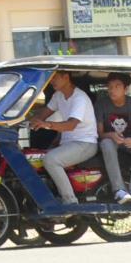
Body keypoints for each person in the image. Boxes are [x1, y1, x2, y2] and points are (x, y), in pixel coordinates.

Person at [29, 70, 99, 205]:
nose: (52, 81)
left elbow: (71, 125)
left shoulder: (80, 98)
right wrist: (24, 120)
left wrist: (47, 124)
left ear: (66, 77)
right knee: (35, 158)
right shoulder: (58, 95)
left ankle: (70, 201)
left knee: (51, 160)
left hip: (85, 143)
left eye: (55, 78)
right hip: (68, 143)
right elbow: (43, 113)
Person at [95, 75, 131, 205]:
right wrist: (111, 135)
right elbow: (100, 133)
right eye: (109, 87)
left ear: (125, 89)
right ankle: (119, 190)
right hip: (110, 141)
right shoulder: (101, 104)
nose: (112, 90)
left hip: (129, 142)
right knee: (106, 143)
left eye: (117, 86)